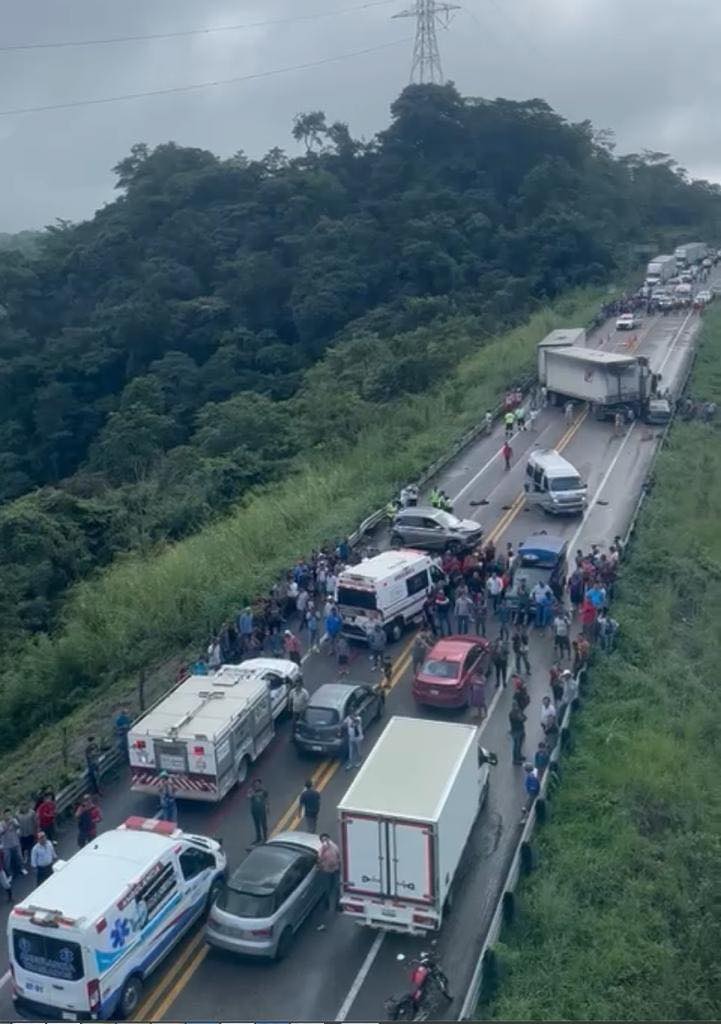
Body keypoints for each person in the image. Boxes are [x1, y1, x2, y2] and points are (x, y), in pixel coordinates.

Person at [316, 833, 341, 931]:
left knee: (337, 887)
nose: (325, 841)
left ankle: (337, 905)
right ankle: (326, 903)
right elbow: (319, 859)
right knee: (328, 888)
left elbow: (338, 856)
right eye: (323, 839)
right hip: (326, 871)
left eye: (326, 839)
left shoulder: (334, 846)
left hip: (335, 870)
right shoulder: (321, 849)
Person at [0, 811, 26, 877]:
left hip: (15, 843)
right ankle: (9, 874)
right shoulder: (1, 824)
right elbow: (1, 832)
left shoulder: (13, 820)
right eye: (5, 815)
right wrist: (8, 825)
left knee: (19, 857)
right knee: (7, 861)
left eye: (8, 814)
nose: (7, 816)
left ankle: (22, 868)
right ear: (3, 816)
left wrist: (14, 823)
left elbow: (18, 826)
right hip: (6, 845)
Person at [248, 779, 270, 845]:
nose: (257, 785)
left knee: (264, 824)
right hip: (254, 810)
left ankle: (265, 838)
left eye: (258, 784)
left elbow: (267, 798)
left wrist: (268, 807)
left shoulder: (264, 791)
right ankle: (258, 838)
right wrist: (252, 794)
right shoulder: (251, 790)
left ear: (260, 784)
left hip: (262, 810)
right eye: (255, 784)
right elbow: (248, 797)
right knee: (257, 825)